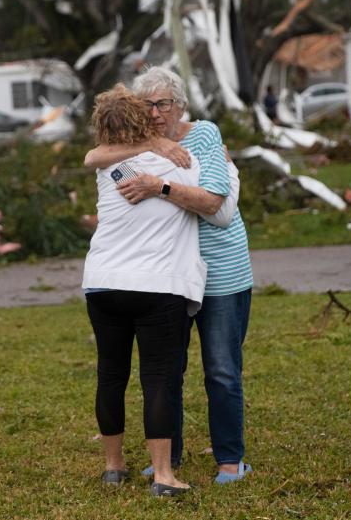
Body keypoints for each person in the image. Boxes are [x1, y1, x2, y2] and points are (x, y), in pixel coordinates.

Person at [85, 66, 254, 485]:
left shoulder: (204, 136)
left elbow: (219, 207)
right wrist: (154, 146)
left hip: (218, 272)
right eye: (149, 105)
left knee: (220, 370)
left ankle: (229, 461)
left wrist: (159, 187)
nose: (157, 112)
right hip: (168, 278)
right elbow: (93, 156)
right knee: (167, 370)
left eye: (165, 104)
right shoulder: (131, 148)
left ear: (180, 105)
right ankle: (168, 461)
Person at [82, 85, 208, 497]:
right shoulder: (179, 164)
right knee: (157, 379)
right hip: (157, 285)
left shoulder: (109, 170)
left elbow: (97, 155)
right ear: (143, 120)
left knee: (111, 375)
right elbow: (212, 202)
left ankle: (114, 467)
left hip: (102, 283)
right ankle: (163, 476)